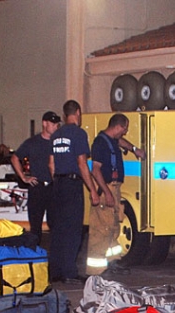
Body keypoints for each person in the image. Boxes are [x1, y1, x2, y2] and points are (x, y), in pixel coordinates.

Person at [48, 100, 104, 284]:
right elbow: (82, 164)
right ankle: (70, 271)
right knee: (73, 230)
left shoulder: (56, 135)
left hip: (57, 185)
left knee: (58, 230)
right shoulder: (79, 134)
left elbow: (51, 164)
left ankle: (55, 271)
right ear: (78, 112)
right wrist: (93, 191)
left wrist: (57, 181)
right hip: (72, 186)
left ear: (65, 115)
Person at [89, 113, 145, 274]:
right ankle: (96, 271)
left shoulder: (111, 140)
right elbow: (96, 170)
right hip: (106, 189)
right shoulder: (100, 143)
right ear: (118, 127)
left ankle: (112, 262)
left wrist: (134, 150)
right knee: (101, 230)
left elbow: (120, 141)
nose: (125, 132)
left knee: (113, 227)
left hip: (114, 188)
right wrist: (107, 193)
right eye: (125, 128)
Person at [12, 111, 60, 240]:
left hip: (53, 187)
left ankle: (54, 256)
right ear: (45, 123)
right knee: (35, 227)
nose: (56, 126)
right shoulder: (33, 142)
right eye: (53, 123)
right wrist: (23, 177)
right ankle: (34, 255)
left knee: (55, 225)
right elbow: (15, 158)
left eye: (57, 124)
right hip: (37, 187)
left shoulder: (58, 142)